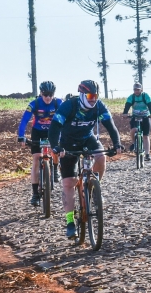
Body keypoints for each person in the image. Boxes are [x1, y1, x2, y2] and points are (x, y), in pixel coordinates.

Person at [49, 80, 123, 238]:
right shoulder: (69, 106)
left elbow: (111, 125)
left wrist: (117, 144)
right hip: (67, 143)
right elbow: (54, 127)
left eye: (95, 95)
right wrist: (56, 146)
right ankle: (70, 222)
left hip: (87, 139)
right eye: (90, 95)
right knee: (69, 183)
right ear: (82, 94)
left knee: (101, 157)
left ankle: (94, 189)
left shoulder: (99, 106)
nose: (93, 99)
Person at [17, 80, 62, 206]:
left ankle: (54, 169)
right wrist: (21, 136)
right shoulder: (35, 103)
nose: (48, 97)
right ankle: (35, 194)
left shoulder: (59, 103)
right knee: (36, 158)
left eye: (50, 94)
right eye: (45, 94)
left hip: (52, 131)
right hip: (37, 132)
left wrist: (64, 136)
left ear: (54, 94)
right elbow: (24, 120)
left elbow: (66, 119)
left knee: (56, 149)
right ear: (41, 93)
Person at [123, 83, 151, 161]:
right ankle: (134, 143)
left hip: (145, 116)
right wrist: (125, 113)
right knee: (133, 130)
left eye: (138, 90)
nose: (136, 91)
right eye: (135, 90)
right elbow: (127, 105)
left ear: (141, 90)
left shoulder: (145, 96)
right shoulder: (131, 97)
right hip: (135, 116)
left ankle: (147, 154)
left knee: (146, 136)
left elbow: (150, 105)